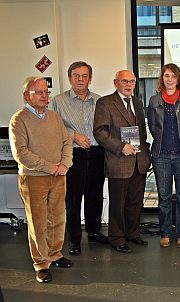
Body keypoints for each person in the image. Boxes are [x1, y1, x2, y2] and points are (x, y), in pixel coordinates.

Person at [9, 77, 73, 283]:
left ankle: (55, 254)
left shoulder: (54, 116)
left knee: (57, 217)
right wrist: (50, 167)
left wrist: (65, 164)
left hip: (58, 176)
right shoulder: (18, 119)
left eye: (46, 92)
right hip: (33, 178)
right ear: (27, 95)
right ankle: (41, 263)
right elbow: (21, 154)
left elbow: (66, 142)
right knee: (38, 222)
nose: (45, 96)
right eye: (39, 92)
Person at [50, 61, 107, 256]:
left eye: (84, 76)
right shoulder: (58, 101)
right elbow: (52, 127)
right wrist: (74, 135)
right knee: (73, 200)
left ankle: (93, 232)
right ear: (69, 78)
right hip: (72, 155)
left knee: (95, 196)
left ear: (90, 78)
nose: (80, 79)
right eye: (76, 75)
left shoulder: (101, 100)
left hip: (97, 154)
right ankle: (74, 239)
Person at [93, 70, 151, 253]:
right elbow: (100, 132)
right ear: (115, 82)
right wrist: (121, 147)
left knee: (135, 201)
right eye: (124, 81)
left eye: (132, 81)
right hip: (118, 160)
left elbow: (141, 133)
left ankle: (132, 233)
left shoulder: (138, 103)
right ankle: (117, 238)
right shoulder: (105, 102)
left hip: (138, 161)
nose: (128, 85)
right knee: (118, 202)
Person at [147, 63, 180, 248]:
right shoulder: (154, 101)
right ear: (162, 79)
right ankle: (165, 232)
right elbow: (153, 127)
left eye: (173, 76)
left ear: (178, 79)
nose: (169, 79)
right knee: (164, 196)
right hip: (161, 155)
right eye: (166, 76)